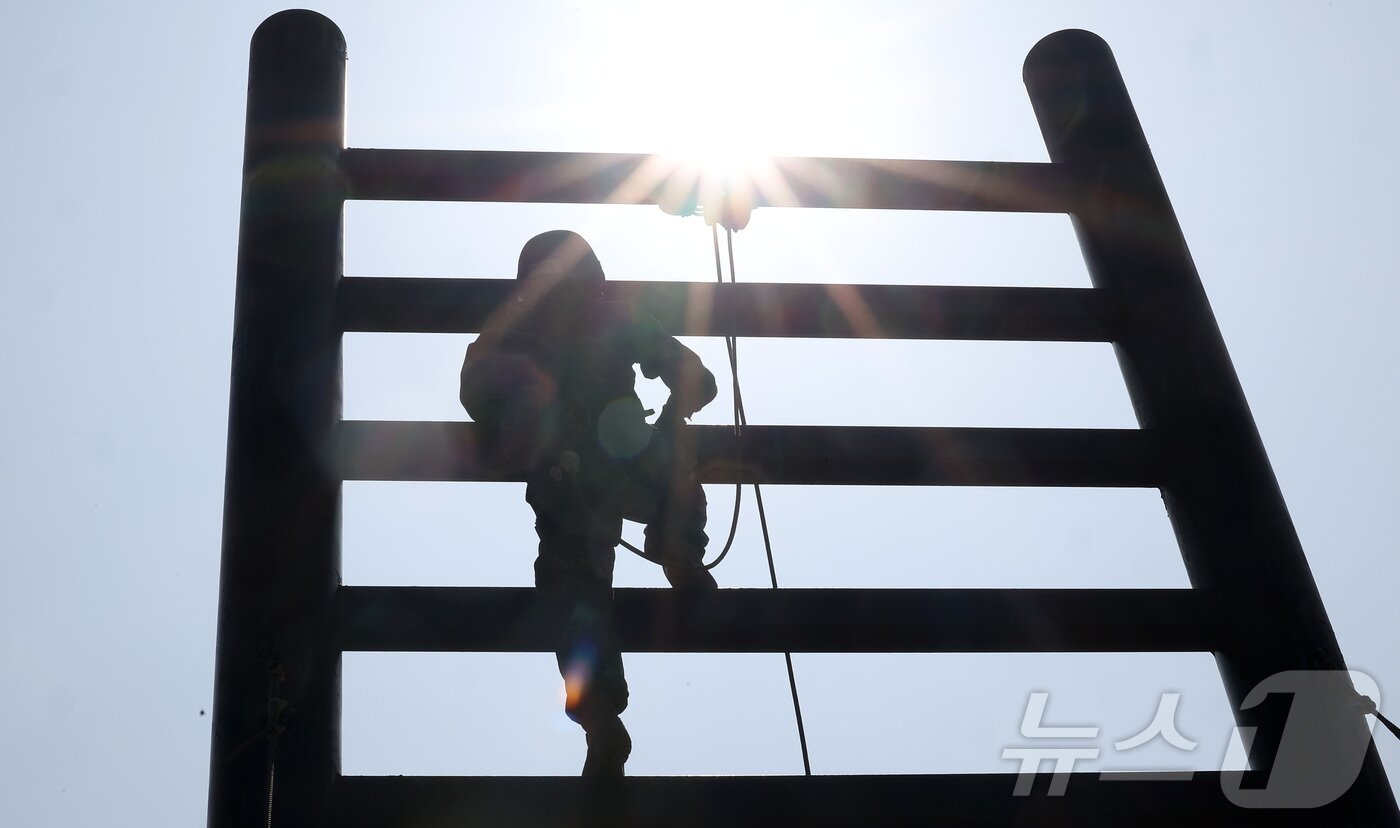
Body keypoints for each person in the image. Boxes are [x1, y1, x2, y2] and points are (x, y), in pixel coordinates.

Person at [459, 230, 718, 777]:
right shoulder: (584, 323)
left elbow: (698, 377)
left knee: (574, 593)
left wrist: (671, 423)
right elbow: (475, 391)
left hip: (594, 470)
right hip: (580, 479)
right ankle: (601, 720)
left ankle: (603, 716)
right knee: (571, 593)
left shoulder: (604, 320)